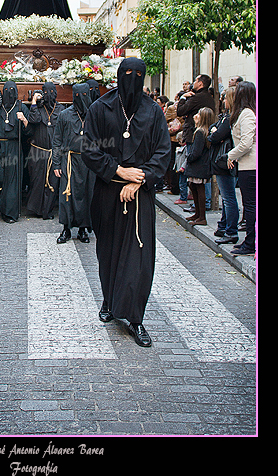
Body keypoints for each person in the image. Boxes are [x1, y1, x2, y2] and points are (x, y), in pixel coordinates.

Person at [82, 57, 171, 348]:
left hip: (140, 196)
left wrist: (140, 179)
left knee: (138, 259)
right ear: (119, 75)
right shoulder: (100, 108)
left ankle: (135, 318)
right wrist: (118, 171)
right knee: (107, 251)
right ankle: (108, 300)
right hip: (108, 192)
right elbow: (89, 149)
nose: (132, 79)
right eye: (127, 74)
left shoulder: (153, 111)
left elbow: (162, 152)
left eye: (138, 74)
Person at [52, 83, 96, 244]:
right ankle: (66, 229)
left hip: (88, 162)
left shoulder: (94, 114)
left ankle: (83, 229)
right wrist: (56, 164)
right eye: (77, 96)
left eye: (84, 96)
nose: (81, 99)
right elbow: (56, 140)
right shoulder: (64, 115)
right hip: (69, 160)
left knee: (86, 195)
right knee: (66, 195)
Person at [0, 81, 29, 223]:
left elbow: (29, 131)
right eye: (6, 90)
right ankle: (0, 201)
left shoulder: (21, 107)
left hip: (14, 146)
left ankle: (10, 213)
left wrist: (24, 120)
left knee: (12, 181)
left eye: (12, 90)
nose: (10, 93)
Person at [26, 82, 64, 220]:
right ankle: (36, 209)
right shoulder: (38, 108)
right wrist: (34, 102)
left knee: (52, 183)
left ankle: (47, 211)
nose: (49, 96)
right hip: (38, 152)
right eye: (46, 93)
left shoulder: (60, 109)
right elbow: (34, 120)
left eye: (51, 92)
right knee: (37, 182)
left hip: (53, 153)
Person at [227, 81, 256, 256]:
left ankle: (251, 243)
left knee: (250, 206)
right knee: (249, 205)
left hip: (250, 166)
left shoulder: (247, 114)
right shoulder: (245, 113)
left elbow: (246, 142)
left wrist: (231, 155)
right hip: (246, 165)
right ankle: (249, 241)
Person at [209, 87, 239, 244]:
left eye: (225, 98)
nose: (223, 101)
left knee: (228, 197)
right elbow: (212, 132)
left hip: (226, 161)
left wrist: (215, 133)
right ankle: (224, 226)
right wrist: (214, 132)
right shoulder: (226, 117)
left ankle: (230, 230)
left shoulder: (230, 118)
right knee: (227, 196)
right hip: (224, 160)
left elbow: (215, 136)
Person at [184, 107, 215, 226]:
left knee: (198, 188)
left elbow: (196, 152)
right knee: (194, 186)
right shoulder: (202, 131)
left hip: (198, 166)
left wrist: (189, 157)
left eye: (198, 114)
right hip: (200, 165)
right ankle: (198, 214)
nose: (195, 115)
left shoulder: (200, 132)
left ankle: (201, 216)